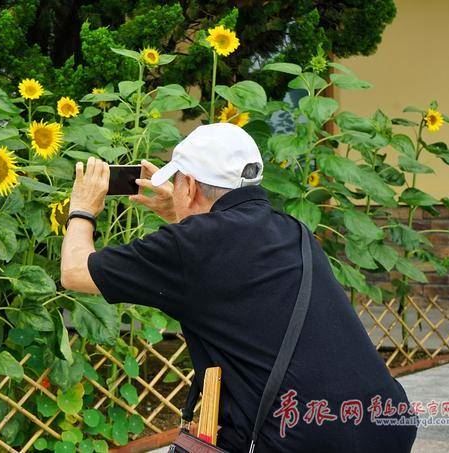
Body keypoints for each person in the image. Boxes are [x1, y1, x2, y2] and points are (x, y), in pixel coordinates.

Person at [59, 123, 417, 452]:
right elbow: (222, 254)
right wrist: (182, 213)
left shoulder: (191, 246)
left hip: (301, 438)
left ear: (192, 186)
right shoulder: (292, 230)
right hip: (382, 422)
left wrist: (82, 209)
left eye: (179, 182)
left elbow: (75, 272)